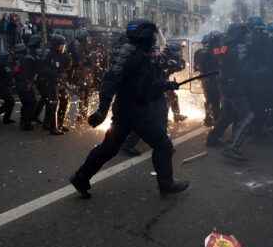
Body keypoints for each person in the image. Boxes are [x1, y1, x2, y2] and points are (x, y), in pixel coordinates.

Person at [69, 19, 189, 198]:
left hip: (129, 109)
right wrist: (102, 109)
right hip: (134, 110)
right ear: (145, 35)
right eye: (152, 35)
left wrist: (166, 86)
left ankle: (81, 177)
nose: (154, 39)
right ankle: (166, 184)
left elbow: (144, 84)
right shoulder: (129, 53)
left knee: (109, 147)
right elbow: (111, 80)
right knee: (163, 145)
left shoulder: (140, 53)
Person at [207, 23, 255, 160]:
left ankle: (212, 138)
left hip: (224, 85)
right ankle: (232, 147)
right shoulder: (240, 47)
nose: (247, 36)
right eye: (245, 33)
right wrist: (258, 73)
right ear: (240, 33)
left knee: (230, 114)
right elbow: (243, 71)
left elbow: (222, 65)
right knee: (248, 116)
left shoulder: (225, 45)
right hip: (235, 87)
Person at [68, 30, 96, 124]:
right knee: (84, 92)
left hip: (85, 71)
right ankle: (81, 115)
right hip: (81, 71)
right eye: (86, 37)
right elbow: (78, 60)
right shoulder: (77, 44)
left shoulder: (81, 44)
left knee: (87, 92)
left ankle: (84, 114)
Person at [194, 31, 222, 127]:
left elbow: (196, 67)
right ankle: (215, 118)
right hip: (214, 79)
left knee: (209, 99)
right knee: (216, 99)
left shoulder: (199, 52)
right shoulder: (217, 50)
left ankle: (208, 119)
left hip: (206, 79)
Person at [161, 41, 187, 123]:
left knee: (173, 97)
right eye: (178, 52)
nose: (180, 53)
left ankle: (176, 115)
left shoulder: (172, 58)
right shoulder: (163, 58)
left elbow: (179, 67)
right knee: (166, 100)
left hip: (164, 80)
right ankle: (163, 119)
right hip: (157, 81)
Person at [0, 50, 16, 124]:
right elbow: (9, 75)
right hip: (1, 86)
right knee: (10, 101)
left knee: (10, 101)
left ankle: (5, 118)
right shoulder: (4, 65)